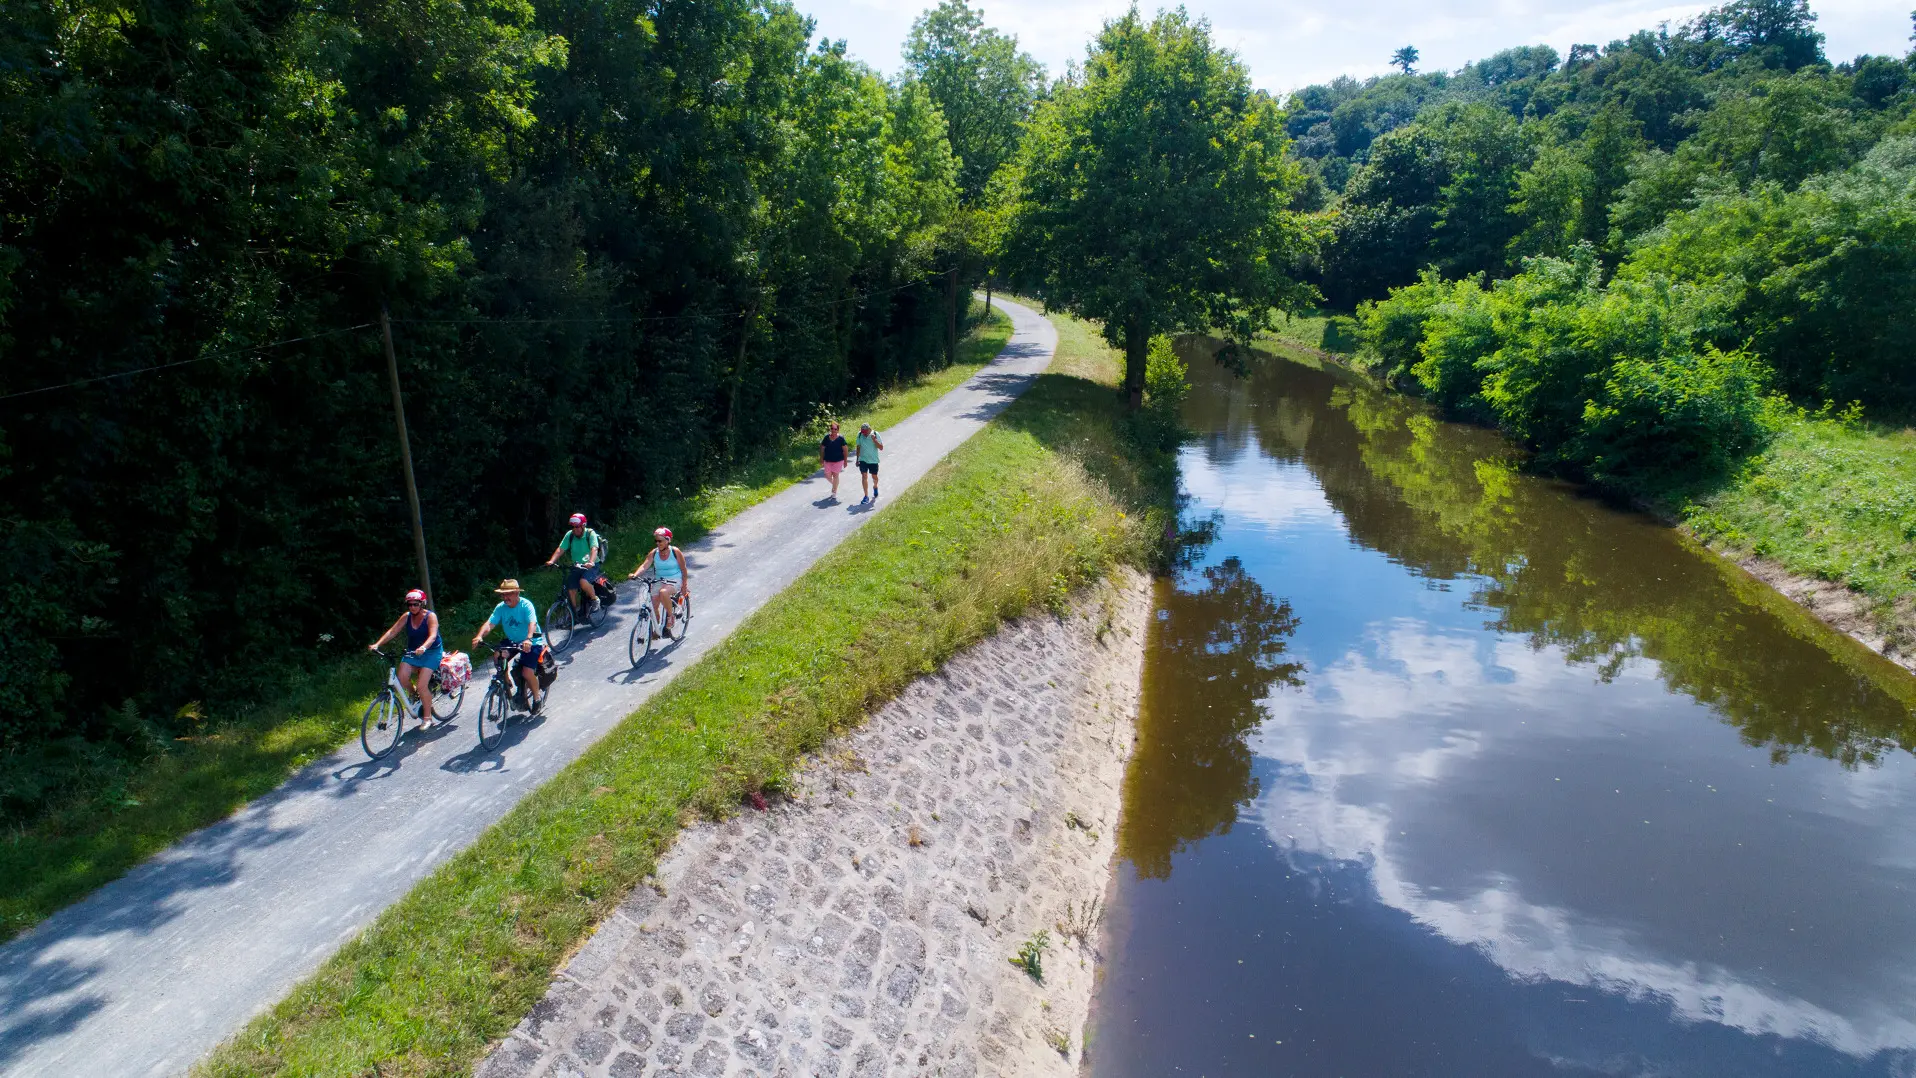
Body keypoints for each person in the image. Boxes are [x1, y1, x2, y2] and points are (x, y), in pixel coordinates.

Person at [471, 578, 550, 713]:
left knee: (527, 672)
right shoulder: (501, 607)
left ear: (516, 593)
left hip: (531, 641)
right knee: (498, 654)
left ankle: (537, 698)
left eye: (508, 594)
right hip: (513, 640)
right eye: (503, 594)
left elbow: (532, 623)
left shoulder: (526, 605)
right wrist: (479, 636)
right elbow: (490, 624)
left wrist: (529, 639)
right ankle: (506, 680)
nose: (505, 597)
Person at [368, 589, 442, 722]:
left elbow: (433, 635)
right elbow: (392, 631)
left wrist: (424, 647)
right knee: (402, 677)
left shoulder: (430, 616)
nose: (413, 607)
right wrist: (377, 644)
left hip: (431, 652)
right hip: (413, 652)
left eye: (416, 604)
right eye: (410, 604)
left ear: (422, 603)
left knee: (421, 685)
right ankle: (414, 694)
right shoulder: (406, 616)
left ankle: (427, 717)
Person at [629, 526, 690, 640]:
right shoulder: (654, 553)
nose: (658, 543)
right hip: (659, 580)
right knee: (653, 606)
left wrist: (684, 585)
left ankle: (670, 617)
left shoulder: (675, 552)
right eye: (656, 541)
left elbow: (683, 569)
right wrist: (635, 574)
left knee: (663, 592)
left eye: (660, 541)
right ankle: (657, 629)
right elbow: (645, 565)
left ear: (668, 540)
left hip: (674, 580)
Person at [545, 513, 601, 613]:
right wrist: (552, 561)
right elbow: (560, 549)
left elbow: (594, 548)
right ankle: (573, 614)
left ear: (583, 525)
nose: (574, 529)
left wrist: (591, 562)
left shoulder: (590, 533)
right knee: (571, 589)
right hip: (577, 566)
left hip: (592, 565)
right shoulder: (570, 535)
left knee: (583, 582)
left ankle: (595, 599)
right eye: (573, 527)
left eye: (577, 527)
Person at [855, 422, 884, 504]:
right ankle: (866, 496)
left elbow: (881, 447)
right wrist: (857, 459)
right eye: (862, 432)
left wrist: (874, 440)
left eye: (864, 432)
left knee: (874, 477)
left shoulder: (875, 434)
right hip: (863, 459)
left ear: (869, 429)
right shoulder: (860, 435)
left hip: (873, 460)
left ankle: (875, 486)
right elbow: (858, 447)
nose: (863, 434)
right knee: (864, 476)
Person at [819, 421, 849, 500]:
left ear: (838, 430)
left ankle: (834, 491)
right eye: (832, 428)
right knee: (827, 475)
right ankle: (835, 484)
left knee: (835, 475)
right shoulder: (826, 437)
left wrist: (845, 461)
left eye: (835, 429)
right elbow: (822, 448)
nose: (833, 430)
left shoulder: (841, 438)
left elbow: (845, 450)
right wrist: (821, 459)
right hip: (827, 460)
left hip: (838, 460)